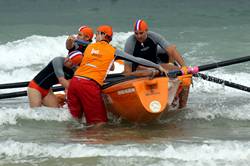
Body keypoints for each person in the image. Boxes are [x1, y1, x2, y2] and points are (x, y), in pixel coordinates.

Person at [67, 25, 168, 127]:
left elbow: (73, 50)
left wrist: (70, 43)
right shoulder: (113, 51)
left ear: (103, 35)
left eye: (97, 34)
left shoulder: (89, 46)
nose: (95, 37)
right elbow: (136, 59)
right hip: (88, 85)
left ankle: (75, 142)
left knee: (76, 121)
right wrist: (157, 66)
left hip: (74, 83)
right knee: (99, 123)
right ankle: (94, 142)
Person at [124, 19, 189, 108]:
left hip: (156, 66)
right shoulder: (130, 43)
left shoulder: (154, 36)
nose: (138, 36)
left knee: (185, 76)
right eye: (136, 33)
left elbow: (171, 50)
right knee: (152, 70)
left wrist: (184, 67)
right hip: (139, 69)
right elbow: (127, 72)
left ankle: (181, 107)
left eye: (141, 33)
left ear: (147, 31)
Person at [27, 26, 94, 108]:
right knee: (35, 114)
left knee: (56, 112)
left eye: (79, 35)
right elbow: (62, 81)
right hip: (35, 88)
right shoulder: (58, 61)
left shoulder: (76, 66)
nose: (77, 36)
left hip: (47, 90)